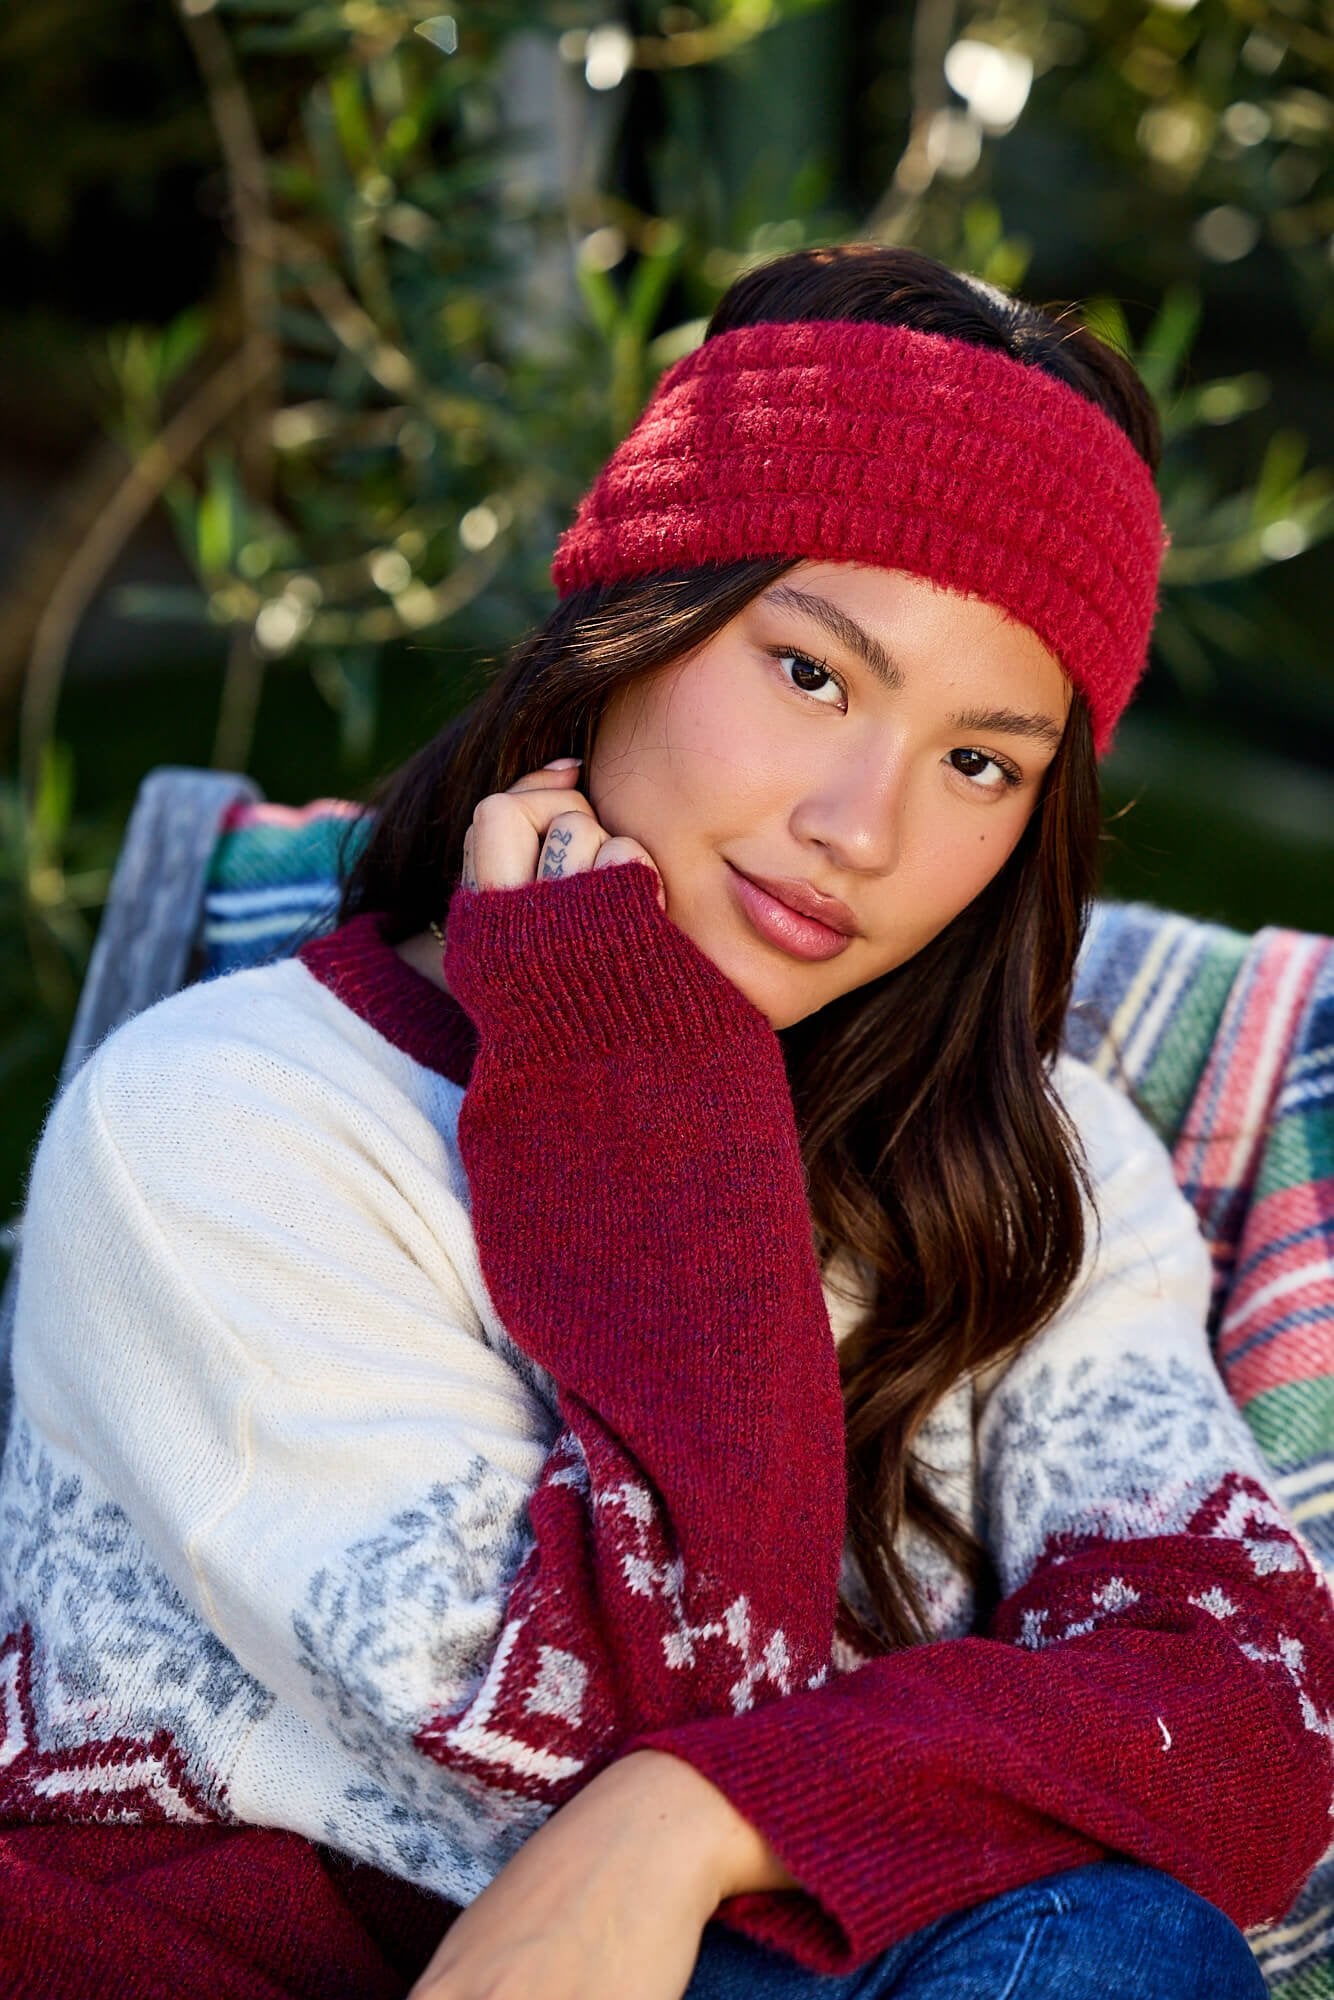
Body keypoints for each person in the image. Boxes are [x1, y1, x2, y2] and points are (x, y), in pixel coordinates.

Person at [0, 245, 1330, 2000]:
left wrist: (692, 1822)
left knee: (1120, 1943)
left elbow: (1249, 1717)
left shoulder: (1029, 1168)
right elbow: (577, 1738)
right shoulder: (217, 1128)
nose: (861, 826)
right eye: (811, 675)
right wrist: (631, 1063)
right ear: (633, 624)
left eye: (979, 761)